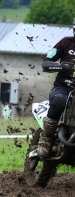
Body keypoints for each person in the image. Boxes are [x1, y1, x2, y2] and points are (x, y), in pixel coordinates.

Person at [36, 20, 75, 158]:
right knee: (59, 100)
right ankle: (45, 140)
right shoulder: (66, 42)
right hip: (63, 87)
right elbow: (46, 63)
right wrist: (61, 66)